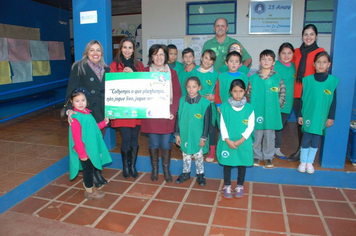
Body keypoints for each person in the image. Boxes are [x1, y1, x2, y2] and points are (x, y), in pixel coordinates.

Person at [65, 40, 110, 187]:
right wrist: (68, 108)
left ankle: (97, 171)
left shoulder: (106, 68)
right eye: (92, 50)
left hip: (102, 112)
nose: (95, 53)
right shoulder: (79, 67)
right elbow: (71, 88)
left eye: (98, 50)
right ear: (87, 52)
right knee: (88, 145)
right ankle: (91, 174)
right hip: (87, 113)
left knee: (97, 143)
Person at [140, 44, 181, 182]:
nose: (159, 57)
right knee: (153, 143)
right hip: (152, 114)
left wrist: (172, 111)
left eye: (162, 54)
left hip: (166, 114)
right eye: (155, 54)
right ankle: (155, 169)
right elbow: (138, 90)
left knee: (165, 144)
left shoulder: (172, 73)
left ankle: (166, 169)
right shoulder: (145, 72)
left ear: (166, 57)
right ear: (151, 57)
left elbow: (177, 93)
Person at [63, 87, 112, 200]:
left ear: (87, 100)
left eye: (83, 100)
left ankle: (90, 187)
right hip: (84, 150)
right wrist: (82, 154)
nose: (80, 103)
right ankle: (89, 190)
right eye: (77, 101)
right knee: (88, 171)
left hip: (91, 148)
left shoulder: (87, 113)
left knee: (91, 168)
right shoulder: (75, 118)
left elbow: (93, 128)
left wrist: (103, 123)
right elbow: (77, 139)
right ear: (72, 102)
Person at [288, 24, 325, 162]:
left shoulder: (320, 51)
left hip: (312, 93)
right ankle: (300, 149)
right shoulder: (296, 52)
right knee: (300, 122)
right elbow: (288, 66)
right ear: (302, 36)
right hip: (297, 91)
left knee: (311, 122)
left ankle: (309, 150)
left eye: (311, 34)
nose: (308, 37)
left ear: (316, 36)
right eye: (306, 34)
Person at [110, 37, 145, 179]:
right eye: (124, 47)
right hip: (121, 109)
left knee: (134, 138)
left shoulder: (140, 66)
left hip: (136, 109)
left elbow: (144, 85)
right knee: (125, 138)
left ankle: (132, 166)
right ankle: (125, 166)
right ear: (120, 49)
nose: (127, 50)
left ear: (134, 49)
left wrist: (134, 75)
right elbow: (112, 86)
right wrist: (122, 75)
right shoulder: (114, 65)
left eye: (130, 47)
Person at [297, 52, 338, 174]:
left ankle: (310, 162)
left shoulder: (332, 81)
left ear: (328, 64)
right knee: (306, 138)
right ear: (314, 64)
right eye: (318, 62)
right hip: (308, 115)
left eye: (324, 62)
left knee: (316, 139)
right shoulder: (308, 80)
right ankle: (303, 161)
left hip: (321, 116)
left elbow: (333, 101)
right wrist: (300, 114)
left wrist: (331, 117)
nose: (321, 65)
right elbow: (302, 99)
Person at [247, 49, 285, 168]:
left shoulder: (277, 78)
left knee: (269, 137)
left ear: (273, 62)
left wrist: (276, 107)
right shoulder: (253, 78)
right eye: (263, 59)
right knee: (257, 136)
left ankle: (268, 157)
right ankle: (256, 156)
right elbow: (249, 94)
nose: (266, 61)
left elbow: (282, 94)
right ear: (259, 61)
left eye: (269, 59)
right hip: (257, 112)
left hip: (271, 113)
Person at [217, 79, 254, 198]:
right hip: (228, 142)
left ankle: (240, 185)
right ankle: (227, 185)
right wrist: (227, 140)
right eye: (235, 91)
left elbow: (250, 126)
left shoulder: (249, 108)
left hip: (242, 142)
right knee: (227, 164)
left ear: (245, 92)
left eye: (241, 91)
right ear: (230, 92)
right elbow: (222, 125)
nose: (238, 94)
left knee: (242, 163)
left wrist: (241, 140)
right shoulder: (224, 108)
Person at [174, 76, 211, 186]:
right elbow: (178, 117)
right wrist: (177, 134)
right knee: (185, 154)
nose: (191, 89)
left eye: (194, 87)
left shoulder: (205, 103)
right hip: (184, 134)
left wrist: (204, 137)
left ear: (199, 88)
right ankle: (186, 173)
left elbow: (207, 122)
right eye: (189, 87)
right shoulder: (182, 100)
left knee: (198, 155)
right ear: (185, 87)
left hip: (197, 135)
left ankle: (200, 175)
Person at [192, 50, 219, 162]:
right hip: (197, 105)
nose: (208, 61)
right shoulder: (195, 72)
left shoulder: (216, 74)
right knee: (198, 127)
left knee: (210, 128)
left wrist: (213, 97)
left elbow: (219, 90)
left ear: (213, 62)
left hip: (210, 106)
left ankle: (212, 151)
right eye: (206, 58)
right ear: (201, 58)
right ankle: (198, 149)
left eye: (211, 59)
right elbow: (191, 87)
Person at [273, 43, 296, 159]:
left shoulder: (294, 66)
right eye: (283, 53)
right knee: (271, 126)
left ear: (293, 54)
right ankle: (269, 148)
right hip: (274, 102)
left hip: (288, 103)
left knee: (280, 126)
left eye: (289, 53)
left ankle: (276, 148)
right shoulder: (274, 66)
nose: (286, 56)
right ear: (279, 54)